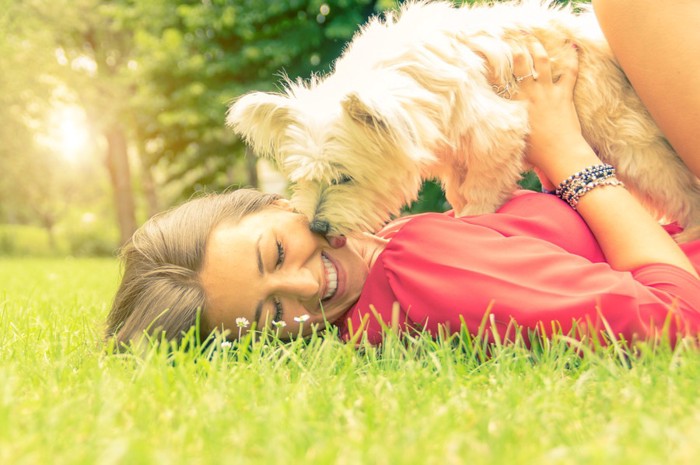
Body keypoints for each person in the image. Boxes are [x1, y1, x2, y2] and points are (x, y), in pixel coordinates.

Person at [106, 2, 700, 348]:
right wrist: (565, 152)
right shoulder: (419, 268)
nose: (308, 288)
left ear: (275, 203)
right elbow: (678, 318)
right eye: (274, 315)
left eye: (278, 253)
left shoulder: (392, 249)